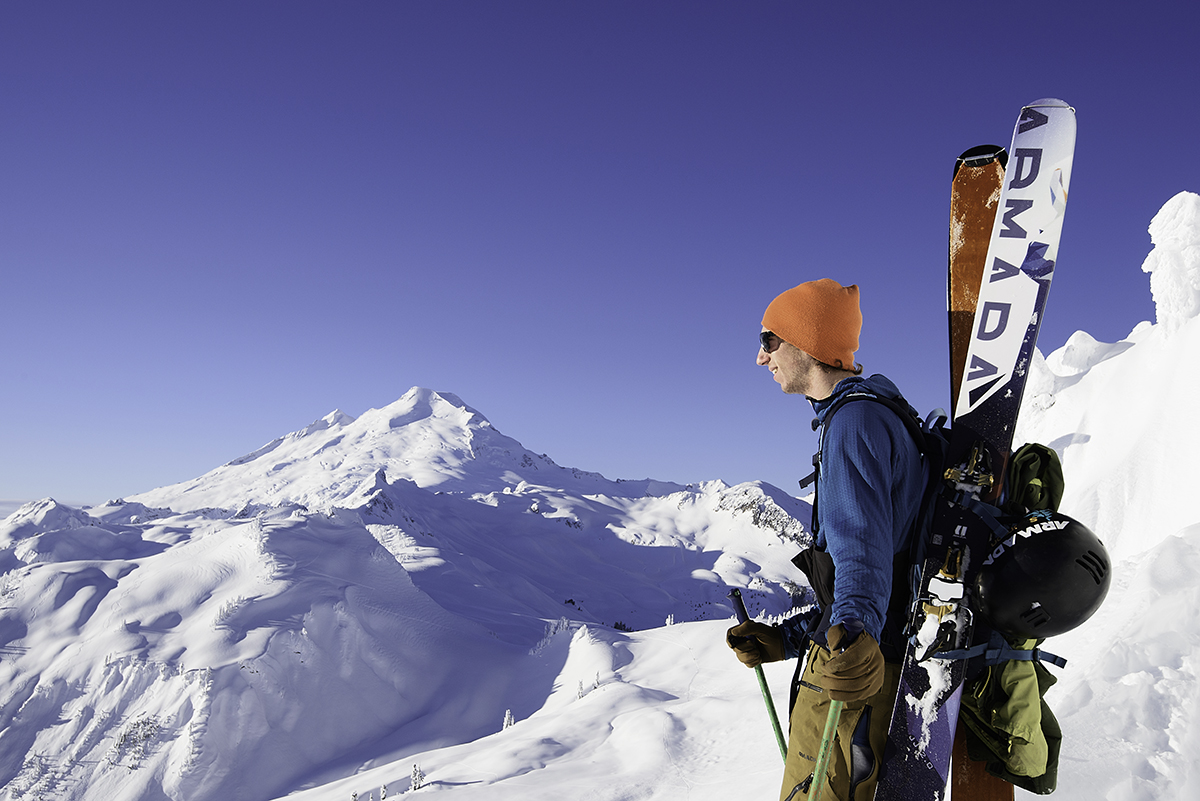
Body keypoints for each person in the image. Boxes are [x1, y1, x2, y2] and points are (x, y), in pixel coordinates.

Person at [728, 278, 926, 801]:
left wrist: (854, 632)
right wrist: (789, 638)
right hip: (857, 658)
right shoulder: (875, 414)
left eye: (769, 340)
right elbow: (880, 555)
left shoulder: (854, 422)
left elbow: (862, 548)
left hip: (850, 676)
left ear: (807, 342)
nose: (760, 357)